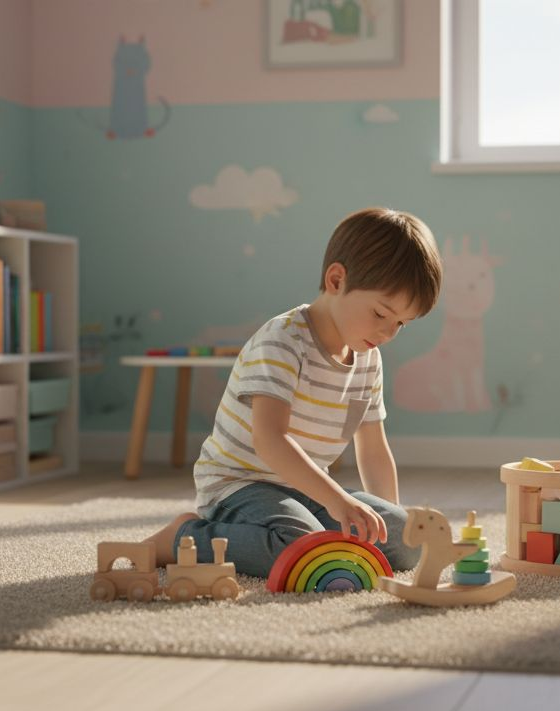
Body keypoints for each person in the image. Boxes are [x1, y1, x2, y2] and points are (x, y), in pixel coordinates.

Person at [144, 207, 444, 578]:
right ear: (336, 280)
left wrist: (386, 525)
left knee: (407, 539)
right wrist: (338, 500)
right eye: (381, 314)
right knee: (303, 549)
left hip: (307, 487)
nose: (387, 333)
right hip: (240, 484)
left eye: (401, 323)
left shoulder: (368, 359)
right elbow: (270, 440)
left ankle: (328, 536)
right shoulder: (283, 340)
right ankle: (183, 539)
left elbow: (373, 449)